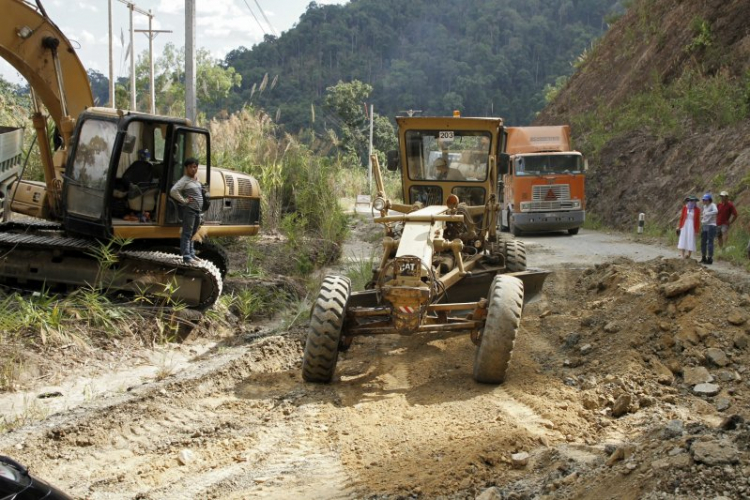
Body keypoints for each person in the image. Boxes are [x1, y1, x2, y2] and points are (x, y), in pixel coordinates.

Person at [170, 158, 203, 263]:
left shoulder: (196, 180)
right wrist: (184, 201)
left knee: (194, 233)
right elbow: (173, 191)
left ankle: (192, 254)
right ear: (186, 168)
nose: (193, 169)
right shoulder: (184, 180)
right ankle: (187, 257)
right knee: (187, 233)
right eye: (190, 167)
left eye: (195, 167)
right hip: (190, 210)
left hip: (197, 210)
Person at [700, 193, 718, 264]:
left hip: (711, 225)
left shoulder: (712, 205)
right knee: (703, 242)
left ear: (709, 200)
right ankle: (703, 257)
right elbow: (704, 215)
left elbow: (716, 211)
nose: (704, 201)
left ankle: (710, 258)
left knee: (710, 242)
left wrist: (708, 214)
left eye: (706, 200)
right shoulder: (705, 206)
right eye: (703, 200)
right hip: (705, 225)